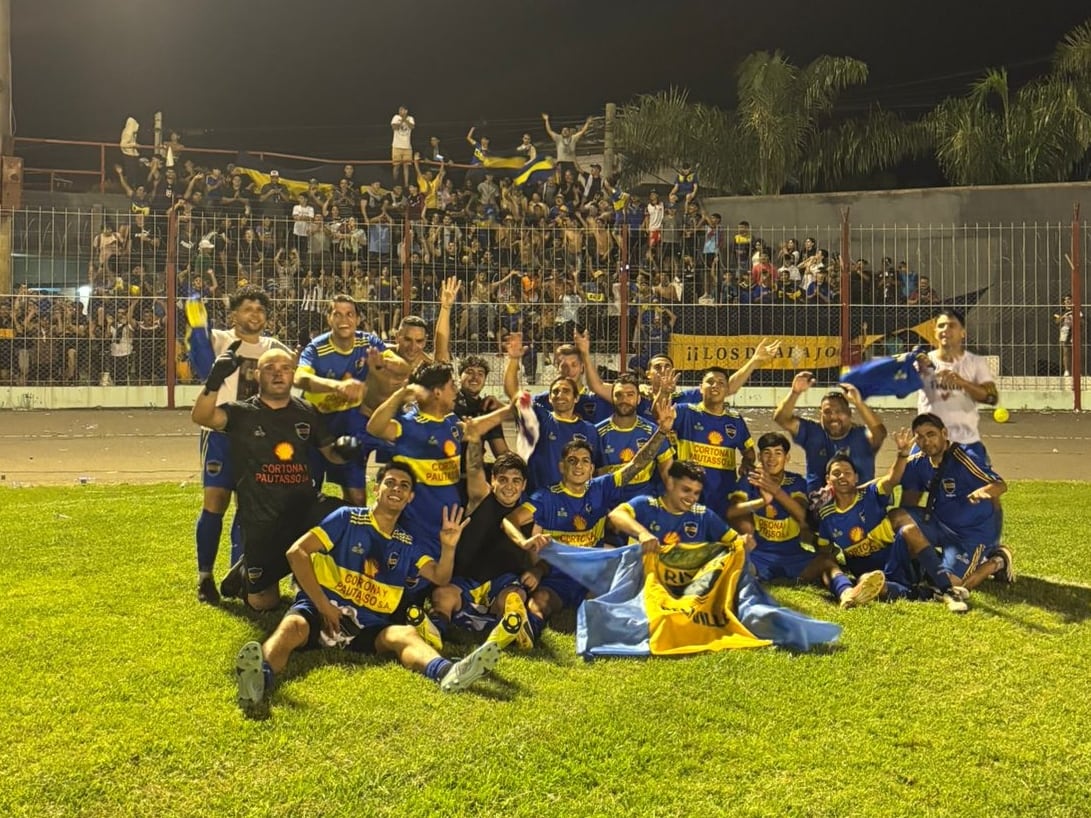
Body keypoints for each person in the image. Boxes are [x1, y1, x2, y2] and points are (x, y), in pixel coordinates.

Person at [234, 463, 501, 709]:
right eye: (390, 483)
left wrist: (448, 547)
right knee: (292, 627)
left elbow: (440, 577)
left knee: (404, 634)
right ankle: (259, 679)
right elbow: (297, 553)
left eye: (404, 486)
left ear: (410, 498)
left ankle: (446, 672)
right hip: (323, 610)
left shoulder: (407, 542)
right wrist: (323, 605)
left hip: (368, 625)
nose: (396, 489)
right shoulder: (346, 518)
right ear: (377, 488)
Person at [191, 346, 354, 612]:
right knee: (264, 604)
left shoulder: (307, 412)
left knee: (345, 518)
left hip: (302, 512)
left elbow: (331, 454)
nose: (279, 374)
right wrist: (213, 380)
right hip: (262, 521)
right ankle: (247, 571)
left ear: (293, 375)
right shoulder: (241, 412)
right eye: (270, 369)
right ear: (257, 375)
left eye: (285, 368)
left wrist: (346, 450)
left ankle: (318, 578)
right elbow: (201, 416)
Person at [501, 403, 674, 641]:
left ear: (592, 468)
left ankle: (612, 619)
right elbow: (510, 520)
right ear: (562, 466)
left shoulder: (600, 488)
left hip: (593, 573)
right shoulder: (546, 496)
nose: (579, 466)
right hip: (558, 574)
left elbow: (636, 464)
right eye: (572, 460)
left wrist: (662, 431)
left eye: (584, 461)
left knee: (622, 583)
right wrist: (523, 541)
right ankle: (526, 631)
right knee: (540, 602)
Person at [187, 286, 293, 605]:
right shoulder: (219, 339)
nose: (255, 315)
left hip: (258, 436)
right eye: (248, 309)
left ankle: (242, 574)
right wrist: (195, 322)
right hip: (221, 432)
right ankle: (205, 577)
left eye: (260, 310)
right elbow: (201, 362)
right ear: (234, 314)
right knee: (215, 503)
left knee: (250, 509)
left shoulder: (274, 348)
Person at [365, 361, 511, 588]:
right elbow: (374, 428)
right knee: (412, 586)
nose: (456, 392)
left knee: (443, 580)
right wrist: (401, 394)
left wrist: (510, 409)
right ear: (437, 392)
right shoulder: (408, 425)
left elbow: (474, 427)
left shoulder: (451, 422)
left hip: (447, 526)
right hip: (416, 528)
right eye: (452, 386)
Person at [816, 430, 971, 612]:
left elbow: (892, 479)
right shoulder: (826, 515)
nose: (842, 477)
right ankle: (925, 593)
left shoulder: (871, 494)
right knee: (870, 583)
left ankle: (947, 591)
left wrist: (902, 454)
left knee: (908, 529)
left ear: (856, 477)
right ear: (828, 479)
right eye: (836, 473)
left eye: (847, 473)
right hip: (869, 573)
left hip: (895, 559)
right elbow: (824, 552)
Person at [423, 424, 537, 651]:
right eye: (503, 479)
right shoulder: (481, 497)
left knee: (513, 598)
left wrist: (536, 572)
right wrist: (474, 438)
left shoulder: (530, 512)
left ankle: (510, 627)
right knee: (442, 596)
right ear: (493, 480)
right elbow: (474, 467)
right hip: (467, 580)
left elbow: (536, 553)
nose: (509, 486)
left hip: (502, 582)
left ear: (523, 485)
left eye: (516, 481)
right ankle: (435, 629)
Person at [889, 413, 1013, 590]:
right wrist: (906, 542)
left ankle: (996, 561)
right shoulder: (917, 460)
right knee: (895, 517)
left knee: (951, 584)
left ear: (944, 433)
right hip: (938, 522)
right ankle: (926, 562)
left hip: (970, 534)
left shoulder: (965, 455)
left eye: (931, 435)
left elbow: (1000, 485)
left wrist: (984, 491)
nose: (926, 442)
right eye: (920, 437)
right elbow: (908, 501)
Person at [294, 295, 381, 505]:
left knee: (357, 498)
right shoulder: (316, 348)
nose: (344, 319)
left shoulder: (368, 343)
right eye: (337, 314)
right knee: (306, 495)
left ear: (358, 319)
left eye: (350, 314)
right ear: (328, 319)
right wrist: (338, 386)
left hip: (350, 427)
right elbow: (299, 378)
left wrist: (382, 368)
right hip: (316, 427)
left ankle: (353, 536)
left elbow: (395, 364)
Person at [503, 333, 601, 491]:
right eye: (563, 365)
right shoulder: (540, 407)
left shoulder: (594, 406)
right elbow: (514, 394)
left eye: (574, 364)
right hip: (540, 491)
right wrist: (513, 360)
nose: (568, 371)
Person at [773, 374, 887, 507]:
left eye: (839, 411)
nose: (833, 416)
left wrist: (859, 403)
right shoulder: (813, 431)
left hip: (859, 506)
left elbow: (880, 432)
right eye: (827, 412)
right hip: (819, 506)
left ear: (850, 414)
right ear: (820, 414)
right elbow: (781, 418)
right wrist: (795, 392)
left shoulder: (862, 435)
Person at [608, 459, 747, 555]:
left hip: (685, 588)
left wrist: (745, 542)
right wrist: (642, 533)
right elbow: (616, 515)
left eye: (696, 493)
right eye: (686, 490)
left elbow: (735, 541)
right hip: (645, 581)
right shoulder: (646, 505)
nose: (691, 498)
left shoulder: (703, 515)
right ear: (670, 484)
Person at [671, 367, 757, 520]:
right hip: (688, 493)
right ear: (700, 388)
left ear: (727, 389)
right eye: (710, 382)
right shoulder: (684, 412)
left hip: (722, 495)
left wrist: (747, 463)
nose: (715, 386)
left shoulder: (735, 420)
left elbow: (749, 452)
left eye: (720, 383)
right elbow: (659, 420)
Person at [726, 432, 813, 582]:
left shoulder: (796, 481)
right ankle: (750, 573)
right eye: (767, 453)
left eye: (778, 453)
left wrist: (775, 490)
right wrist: (762, 501)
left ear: (787, 458)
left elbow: (803, 518)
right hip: (758, 552)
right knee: (741, 520)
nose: (772, 458)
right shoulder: (750, 479)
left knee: (826, 563)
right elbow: (731, 512)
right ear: (759, 457)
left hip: (792, 553)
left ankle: (846, 591)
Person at [915, 308, 998, 462]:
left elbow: (991, 397)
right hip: (928, 440)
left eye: (951, 325)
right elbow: (901, 386)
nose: (945, 330)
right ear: (935, 331)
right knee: (913, 482)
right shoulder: (922, 362)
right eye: (941, 326)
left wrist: (962, 383)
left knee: (980, 483)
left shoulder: (976, 363)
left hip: (964, 440)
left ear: (963, 332)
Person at [596, 373, 674, 503]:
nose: (624, 399)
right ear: (612, 398)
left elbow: (668, 475)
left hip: (644, 505)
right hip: (608, 505)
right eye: (618, 395)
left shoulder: (654, 432)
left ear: (639, 399)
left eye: (630, 395)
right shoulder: (597, 432)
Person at [1054, 294, 1081, 377]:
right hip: (1065, 332)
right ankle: (1066, 370)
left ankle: (1076, 371)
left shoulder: (1076, 310)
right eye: (1065, 300)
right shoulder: (1061, 311)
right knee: (1066, 352)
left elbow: (1081, 321)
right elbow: (1056, 322)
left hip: (1075, 332)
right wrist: (1063, 317)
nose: (1067, 301)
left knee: (1076, 352)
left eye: (1069, 299)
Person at [391, 106, 415, 187]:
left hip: (407, 146)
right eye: (400, 110)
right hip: (396, 145)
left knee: (406, 167)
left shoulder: (410, 118)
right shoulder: (396, 117)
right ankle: (394, 183)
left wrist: (405, 120)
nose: (401, 111)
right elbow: (394, 127)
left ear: (406, 111)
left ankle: (406, 185)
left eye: (403, 110)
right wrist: (401, 120)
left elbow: (412, 127)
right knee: (396, 166)